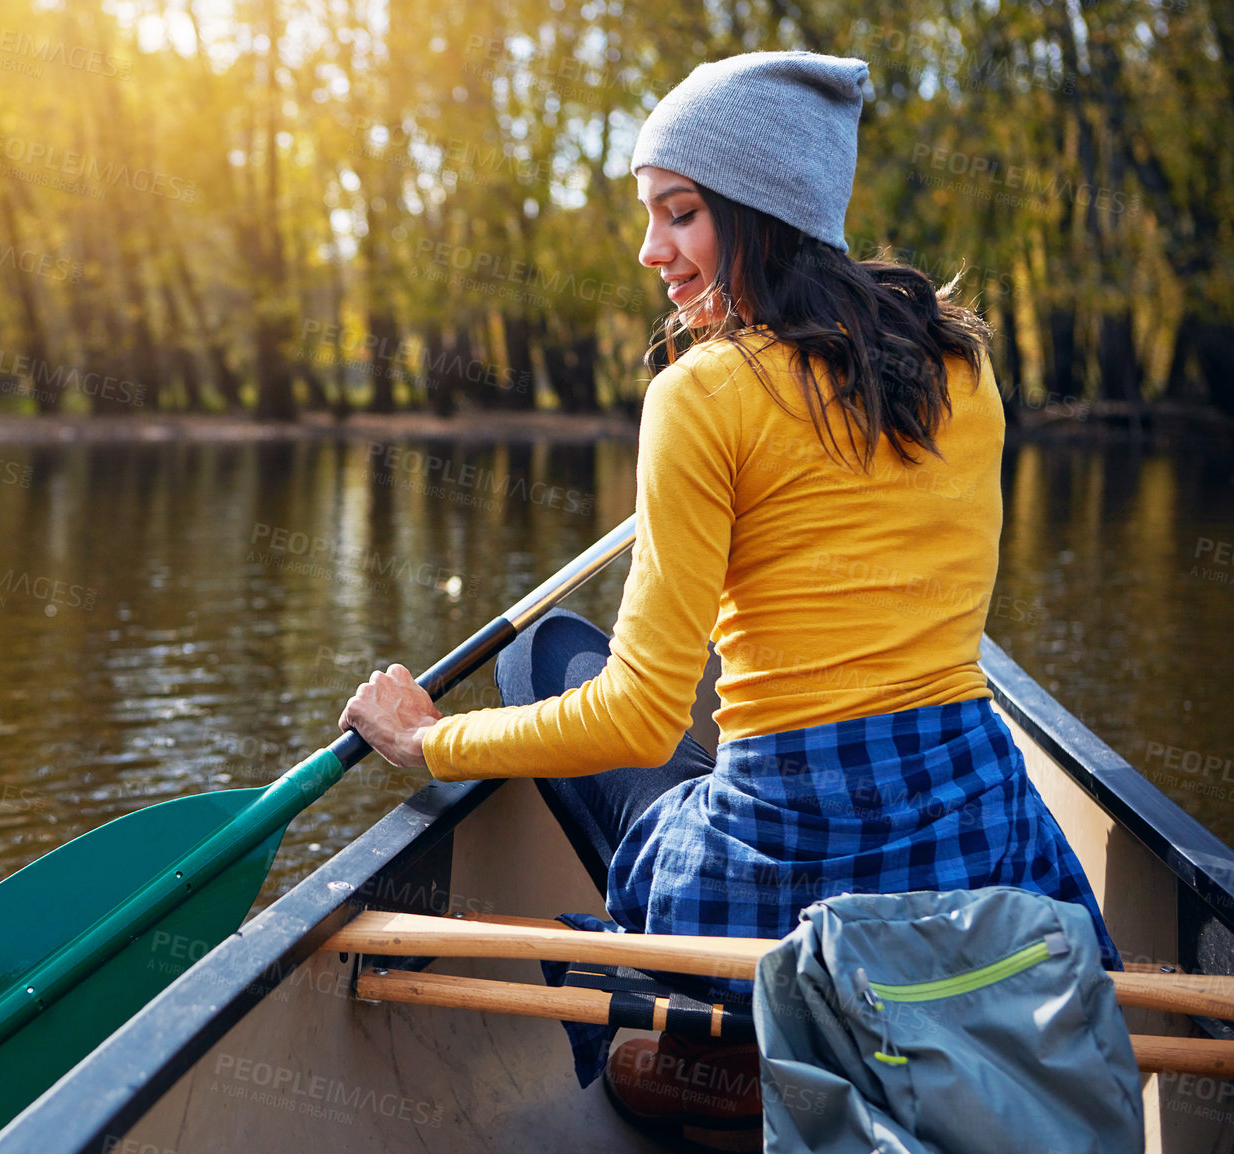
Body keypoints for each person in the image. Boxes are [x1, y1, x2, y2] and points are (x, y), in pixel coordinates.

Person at [339, 49, 1118, 1153]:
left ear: (765, 208)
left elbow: (637, 717)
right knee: (625, 698)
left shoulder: (700, 395)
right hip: (980, 845)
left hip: (785, 876)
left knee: (538, 667)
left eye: (682, 214)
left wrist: (428, 737)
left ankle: (717, 1061)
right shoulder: (961, 366)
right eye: (652, 216)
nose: (654, 252)